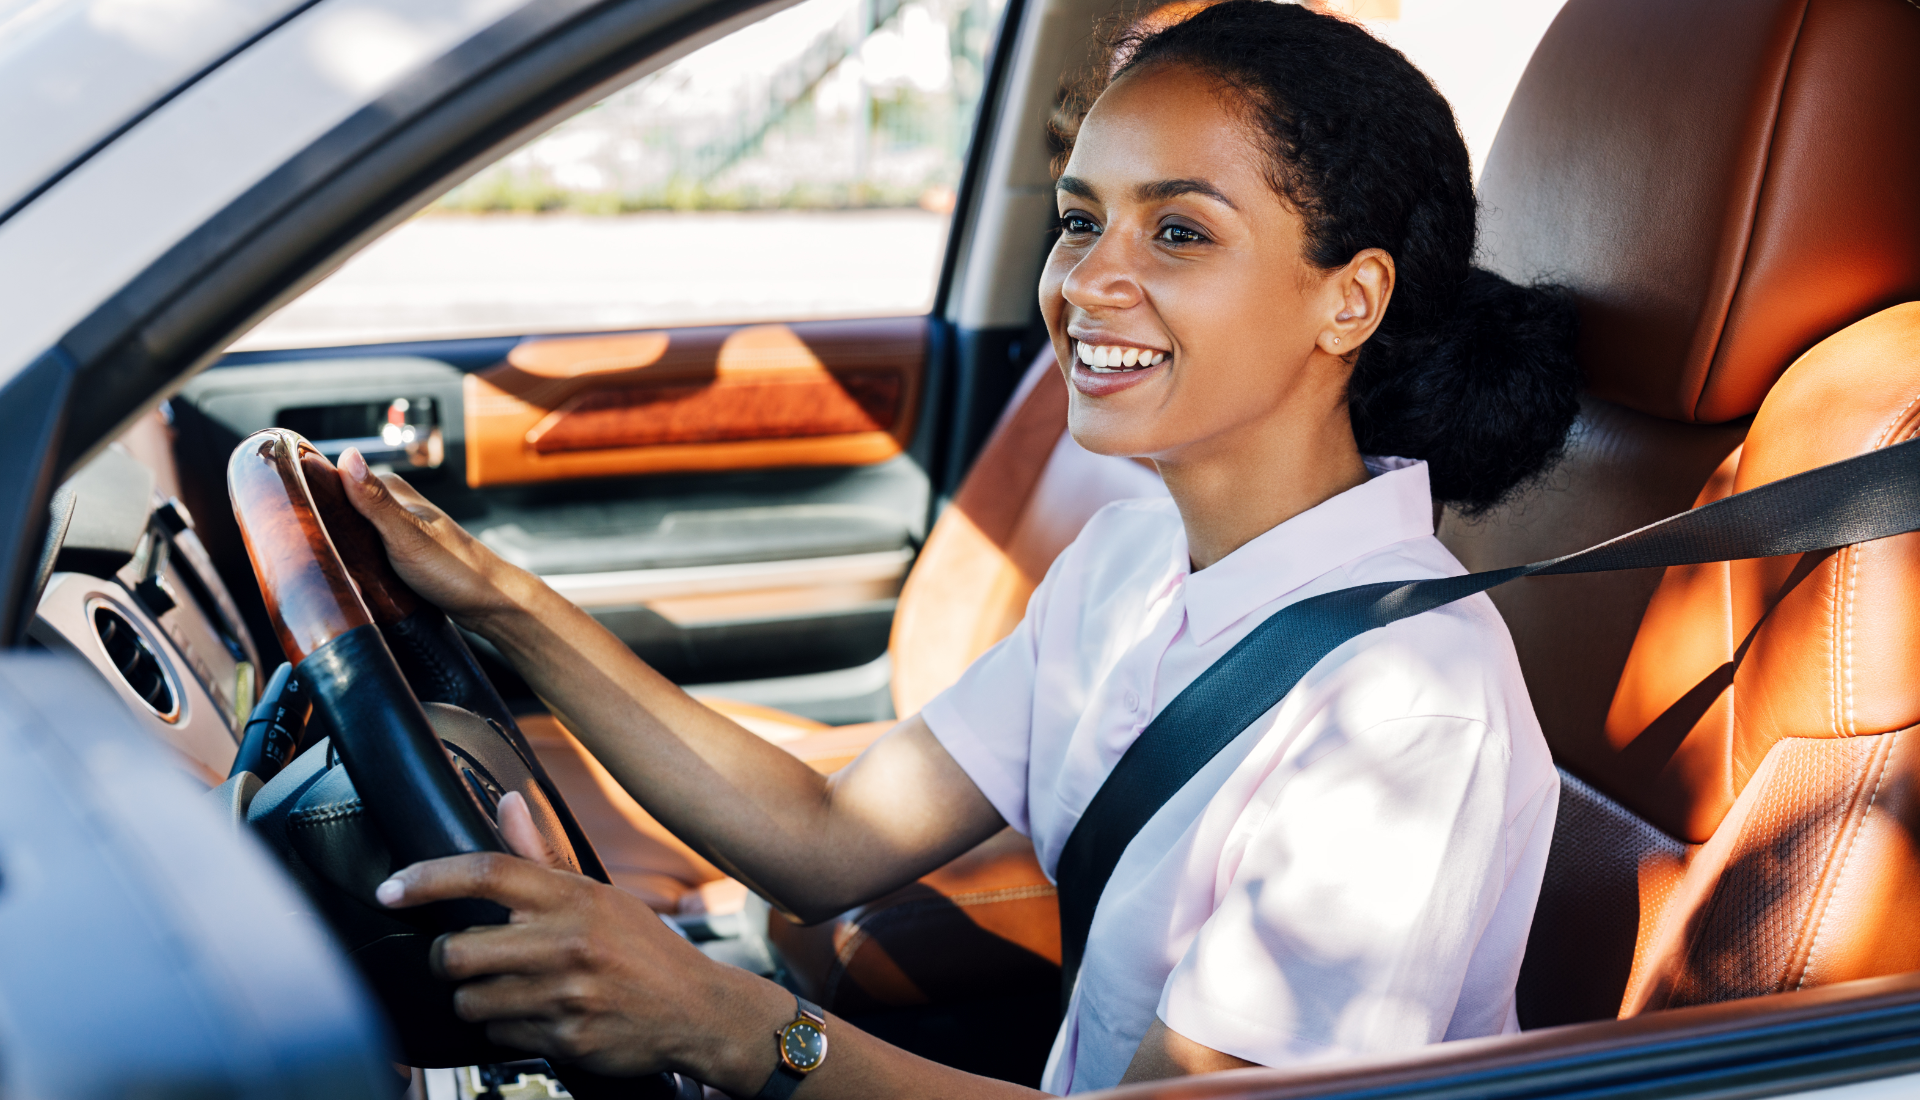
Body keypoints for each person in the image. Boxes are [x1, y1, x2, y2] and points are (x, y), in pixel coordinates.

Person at [349, 2, 1581, 1094]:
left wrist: (733, 1024)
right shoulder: (1128, 559)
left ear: (1349, 300)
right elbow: (828, 833)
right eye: (1080, 220)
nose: (1089, 280)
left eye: (1181, 234)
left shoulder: (1408, 707)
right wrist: (499, 600)